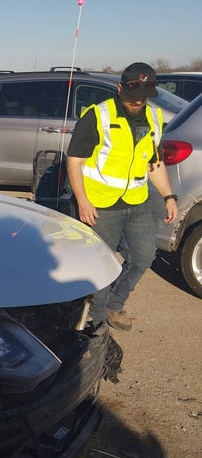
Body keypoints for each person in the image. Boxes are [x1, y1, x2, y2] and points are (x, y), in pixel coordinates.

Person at [66, 62, 178, 331]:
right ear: (120, 89)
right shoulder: (97, 116)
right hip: (101, 205)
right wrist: (82, 200)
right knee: (101, 263)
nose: (138, 101)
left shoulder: (153, 118)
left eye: (144, 96)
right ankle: (97, 318)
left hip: (138, 203)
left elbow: (154, 164)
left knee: (143, 257)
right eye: (133, 95)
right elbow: (75, 161)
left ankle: (114, 304)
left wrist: (169, 196)